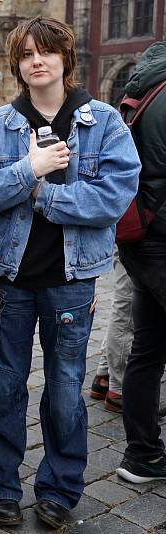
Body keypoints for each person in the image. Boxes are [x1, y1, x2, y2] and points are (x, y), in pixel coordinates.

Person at [0, 17, 140, 529]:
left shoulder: (102, 121)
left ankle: (59, 489)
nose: (35, 62)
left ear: (65, 58)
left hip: (71, 280)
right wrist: (28, 170)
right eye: (26, 55)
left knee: (66, 390)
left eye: (45, 53)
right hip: (8, 279)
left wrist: (46, 194)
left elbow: (114, 196)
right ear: (17, 65)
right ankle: (0, 486)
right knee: (2, 387)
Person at [116, 40, 166, 485]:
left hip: (139, 236)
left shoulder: (144, 85)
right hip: (163, 237)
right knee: (147, 349)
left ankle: (143, 454)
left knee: (147, 350)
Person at [90, 247, 132, 412]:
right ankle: (118, 389)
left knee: (126, 306)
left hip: (140, 232)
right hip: (140, 233)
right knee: (128, 306)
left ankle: (105, 376)